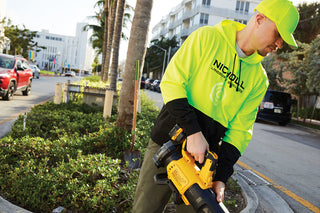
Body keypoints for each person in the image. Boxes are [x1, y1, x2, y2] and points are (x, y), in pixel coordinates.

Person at [132, 0, 299, 212]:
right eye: (278, 35)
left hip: (201, 164)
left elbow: (240, 132)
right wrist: (193, 133)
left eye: (284, 40)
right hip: (166, 145)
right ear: (259, 20)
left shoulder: (258, 79)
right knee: (144, 209)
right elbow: (172, 83)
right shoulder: (207, 37)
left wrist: (221, 177)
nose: (279, 44)